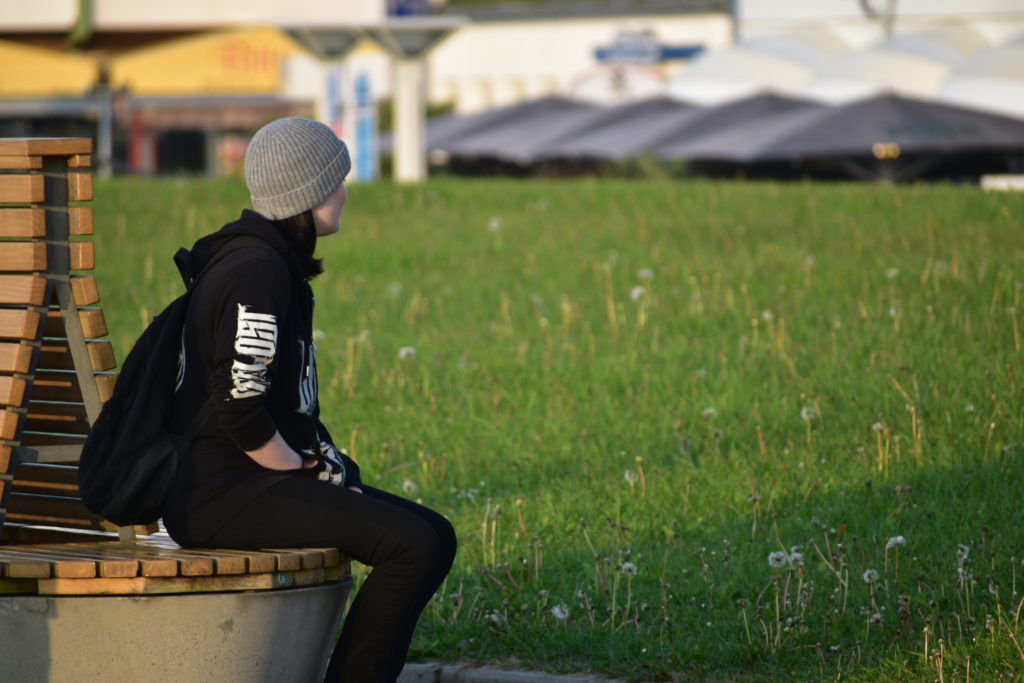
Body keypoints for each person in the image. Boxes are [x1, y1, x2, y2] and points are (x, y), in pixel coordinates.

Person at [161, 117, 457, 682]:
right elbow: (239, 406)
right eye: (336, 181)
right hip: (221, 493)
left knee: (434, 534)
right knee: (413, 547)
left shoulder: (262, 261)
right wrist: (300, 467)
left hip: (240, 481)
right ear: (308, 194)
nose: (344, 192)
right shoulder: (257, 272)